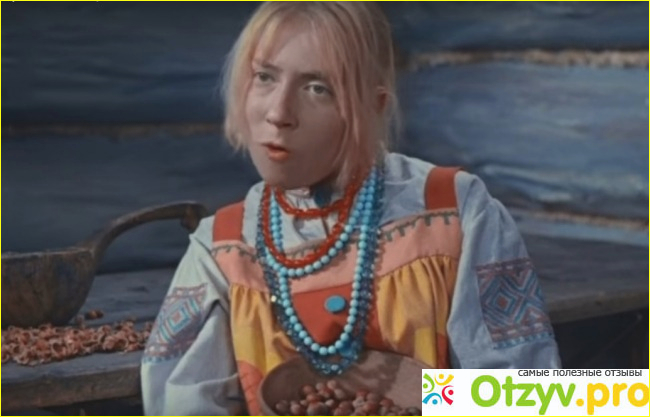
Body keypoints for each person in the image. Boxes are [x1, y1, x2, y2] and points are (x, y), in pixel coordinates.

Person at [141, 2, 561, 415]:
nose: (279, 113)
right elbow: (183, 403)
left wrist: (420, 402)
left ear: (372, 106)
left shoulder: (456, 211)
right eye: (265, 77)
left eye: (317, 88)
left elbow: (528, 395)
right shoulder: (220, 249)